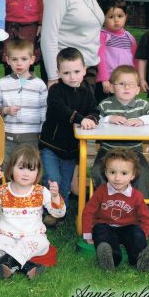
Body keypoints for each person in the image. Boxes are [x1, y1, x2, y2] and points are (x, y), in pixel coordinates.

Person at [0, 145, 65, 280]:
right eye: (21, 168)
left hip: (33, 236)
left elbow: (58, 213)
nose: (26, 173)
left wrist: (55, 197)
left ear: (38, 172)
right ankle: (27, 266)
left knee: (42, 244)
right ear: (11, 168)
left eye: (31, 169)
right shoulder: (2, 191)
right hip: (6, 236)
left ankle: (8, 263)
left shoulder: (41, 191)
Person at [38, 47, 99, 227]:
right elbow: (60, 110)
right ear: (58, 73)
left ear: (84, 70)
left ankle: (60, 212)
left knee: (65, 183)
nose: (72, 77)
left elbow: (95, 110)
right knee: (52, 179)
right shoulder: (55, 90)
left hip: (71, 149)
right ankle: (48, 210)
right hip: (51, 145)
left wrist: (91, 118)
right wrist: (80, 119)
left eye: (77, 72)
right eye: (66, 73)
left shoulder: (87, 91)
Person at [92, 65, 149, 199]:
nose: (126, 88)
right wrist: (108, 118)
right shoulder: (105, 105)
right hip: (108, 150)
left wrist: (142, 120)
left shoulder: (142, 105)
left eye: (131, 84)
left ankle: (138, 206)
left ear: (138, 89)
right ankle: (106, 204)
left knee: (143, 172)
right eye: (121, 84)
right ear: (112, 88)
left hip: (134, 151)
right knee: (98, 170)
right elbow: (93, 120)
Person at [82, 148, 149, 272]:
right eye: (112, 172)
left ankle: (141, 258)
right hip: (106, 226)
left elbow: (145, 218)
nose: (117, 178)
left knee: (136, 233)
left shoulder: (136, 196)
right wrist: (87, 234)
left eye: (124, 173)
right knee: (100, 230)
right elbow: (88, 212)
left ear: (133, 175)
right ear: (105, 172)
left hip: (128, 227)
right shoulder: (101, 191)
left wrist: (143, 235)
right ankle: (110, 259)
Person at [0, 38, 48, 168]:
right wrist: (5, 110)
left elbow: (44, 111)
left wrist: (42, 133)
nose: (19, 63)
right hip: (7, 138)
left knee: (29, 169)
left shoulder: (39, 85)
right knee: (6, 169)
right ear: (7, 60)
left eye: (24, 59)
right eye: (14, 59)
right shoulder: (2, 83)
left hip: (31, 138)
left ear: (32, 60)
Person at [97, 0, 137, 101]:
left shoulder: (130, 37)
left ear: (126, 16)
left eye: (120, 16)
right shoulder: (103, 35)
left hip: (127, 82)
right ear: (103, 18)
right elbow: (100, 58)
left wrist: (136, 79)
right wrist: (104, 79)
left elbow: (135, 60)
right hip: (110, 81)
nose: (116, 20)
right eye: (111, 17)